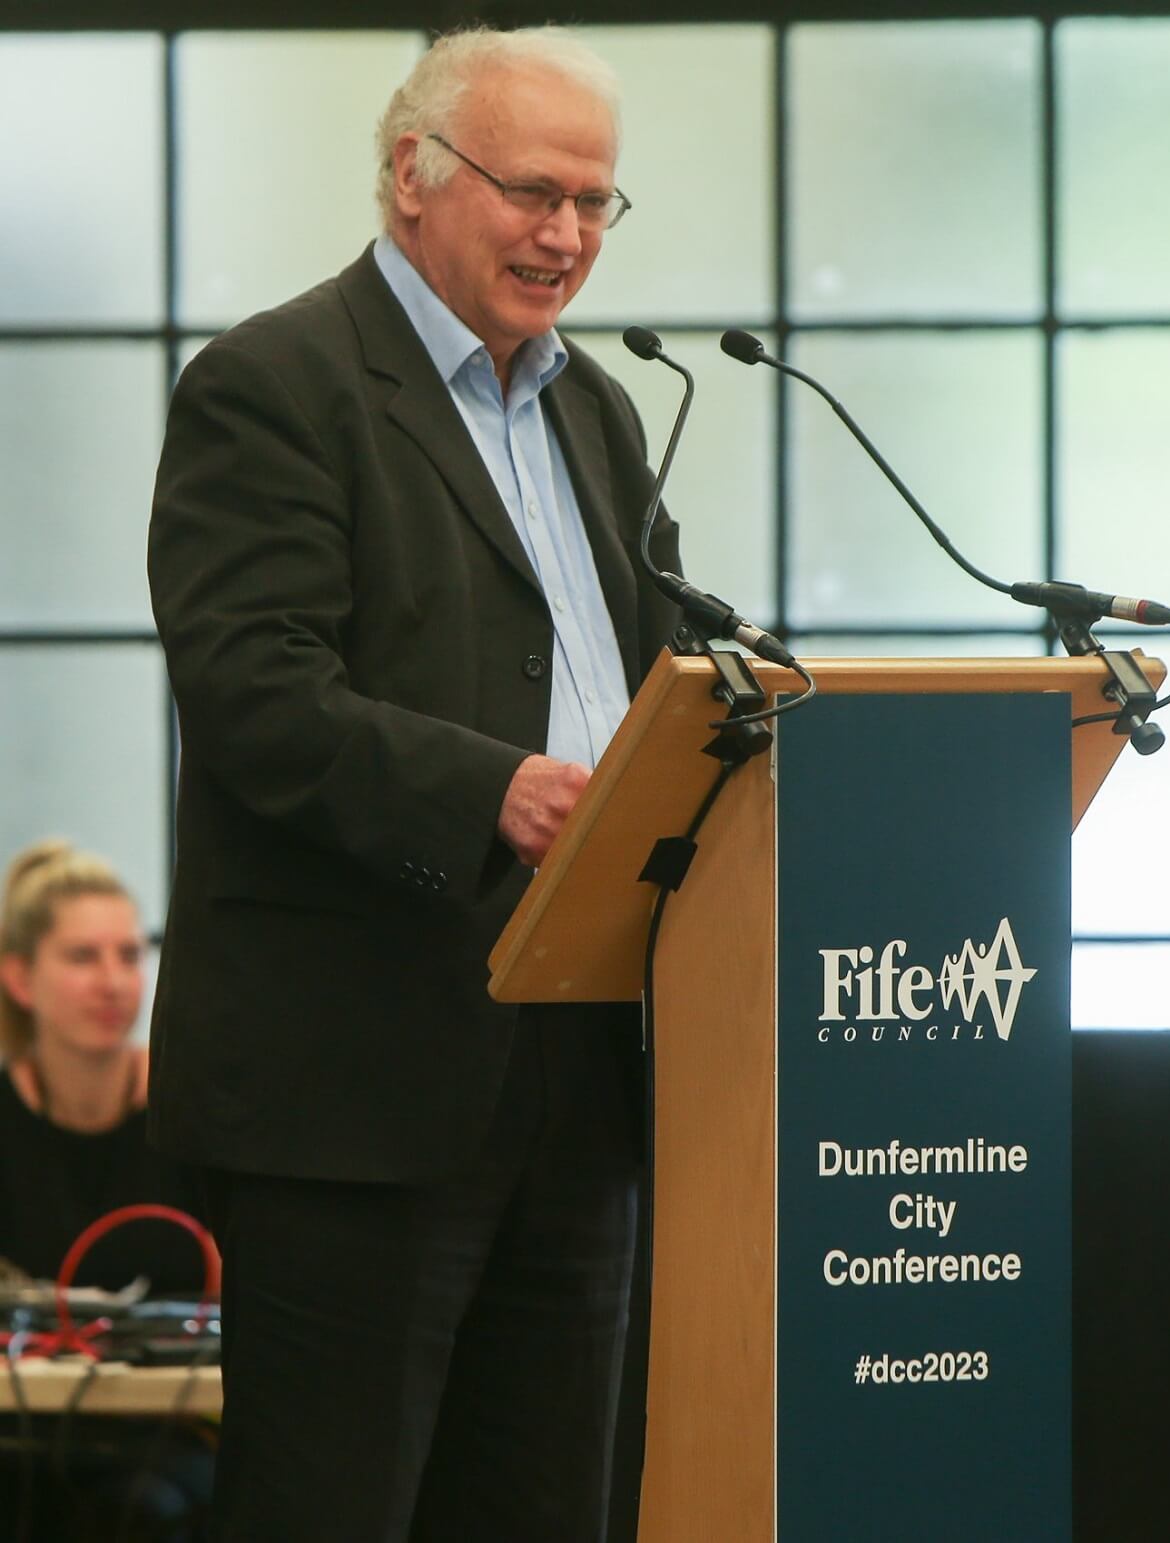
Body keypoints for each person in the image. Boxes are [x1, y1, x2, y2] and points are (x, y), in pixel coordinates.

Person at [146, 24, 680, 1543]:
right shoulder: (276, 382)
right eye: (534, 192)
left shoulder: (598, 409)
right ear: (411, 178)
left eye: (597, 202)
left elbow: (653, 674)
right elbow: (254, 689)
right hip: (360, 1095)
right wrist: (492, 789)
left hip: (579, 1086)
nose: (567, 234)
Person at [0, 840, 214, 1542]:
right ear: (20, 978)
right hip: (21, 1430)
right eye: (84, 956)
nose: (115, 980)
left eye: (130, 954)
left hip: (179, 1432)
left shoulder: (193, 1111)